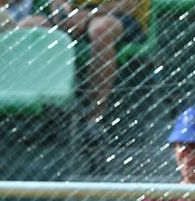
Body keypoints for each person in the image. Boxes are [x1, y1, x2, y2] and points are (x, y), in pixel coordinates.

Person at [16, 0, 147, 127]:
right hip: (77, 14)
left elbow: (128, 5)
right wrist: (62, 15)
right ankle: (29, 110)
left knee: (101, 29)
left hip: (118, 15)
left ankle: (94, 119)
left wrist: (88, 15)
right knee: (26, 26)